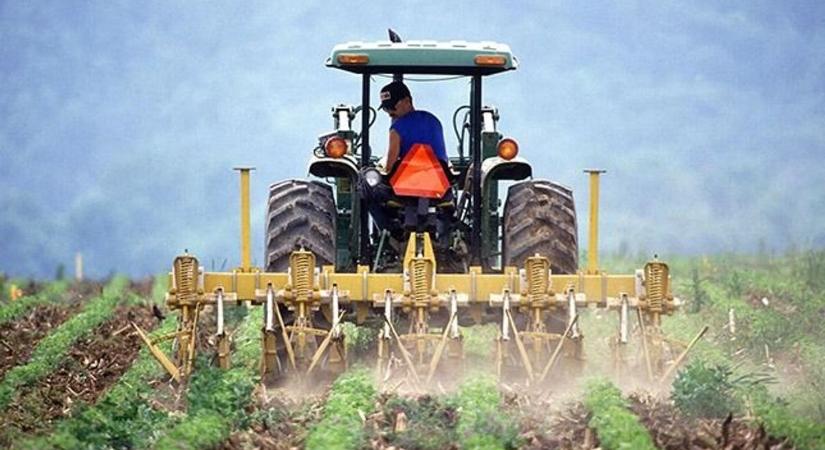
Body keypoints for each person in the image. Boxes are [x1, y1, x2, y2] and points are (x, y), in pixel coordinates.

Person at [361, 80, 449, 240]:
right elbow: (442, 157)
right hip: (439, 187)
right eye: (386, 108)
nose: (389, 112)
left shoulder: (397, 128)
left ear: (407, 101)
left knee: (364, 185)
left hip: (405, 190)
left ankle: (389, 233)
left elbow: (389, 166)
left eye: (392, 107)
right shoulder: (434, 121)